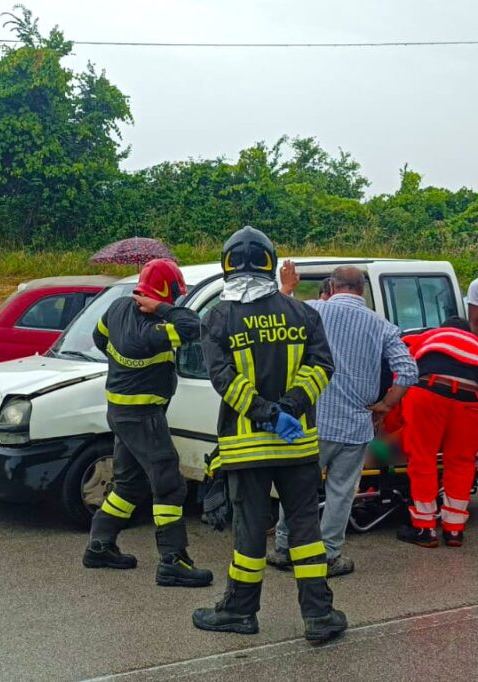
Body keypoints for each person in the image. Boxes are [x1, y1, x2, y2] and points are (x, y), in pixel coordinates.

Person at [192, 226, 347, 642]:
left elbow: (222, 379)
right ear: (270, 262)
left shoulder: (219, 317)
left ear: (227, 265)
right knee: (305, 531)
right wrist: (290, 409)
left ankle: (240, 611)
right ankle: (319, 615)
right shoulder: (303, 313)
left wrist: (264, 413)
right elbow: (322, 368)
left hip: (247, 449)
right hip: (298, 445)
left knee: (249, 532)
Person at [268, 263, 418, 576]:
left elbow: (278, 314)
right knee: (340, 493)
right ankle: (329, 555)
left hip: (312, 422)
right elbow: (408, 371)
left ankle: (283, 549)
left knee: (298, 488)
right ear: (361, 290)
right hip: (355, 426)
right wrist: (385, 405)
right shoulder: (382, 326)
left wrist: (288, 287)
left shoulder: (313, 311)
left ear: (332, 287)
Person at [83, 258, 214, 588]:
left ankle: (100, 545)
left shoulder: (116, 309)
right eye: (173, 296)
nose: (175, 302)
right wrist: (162, 309)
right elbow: (193, 326)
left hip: (120, 413)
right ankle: (174, 561)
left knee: (128, 484)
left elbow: (100, 340)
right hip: (144, 415)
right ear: (163, 292)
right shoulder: (153, 330)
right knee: (170, 482)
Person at [396, 317, 478, 547]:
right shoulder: (475, 343)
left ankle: (424, 529)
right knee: (462, 461)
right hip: (471, 398)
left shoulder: (428, 336)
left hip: (429, 392)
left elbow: (403, 372)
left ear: (443, 328)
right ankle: (454, 530)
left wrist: (390, 422)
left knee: (423, 458)